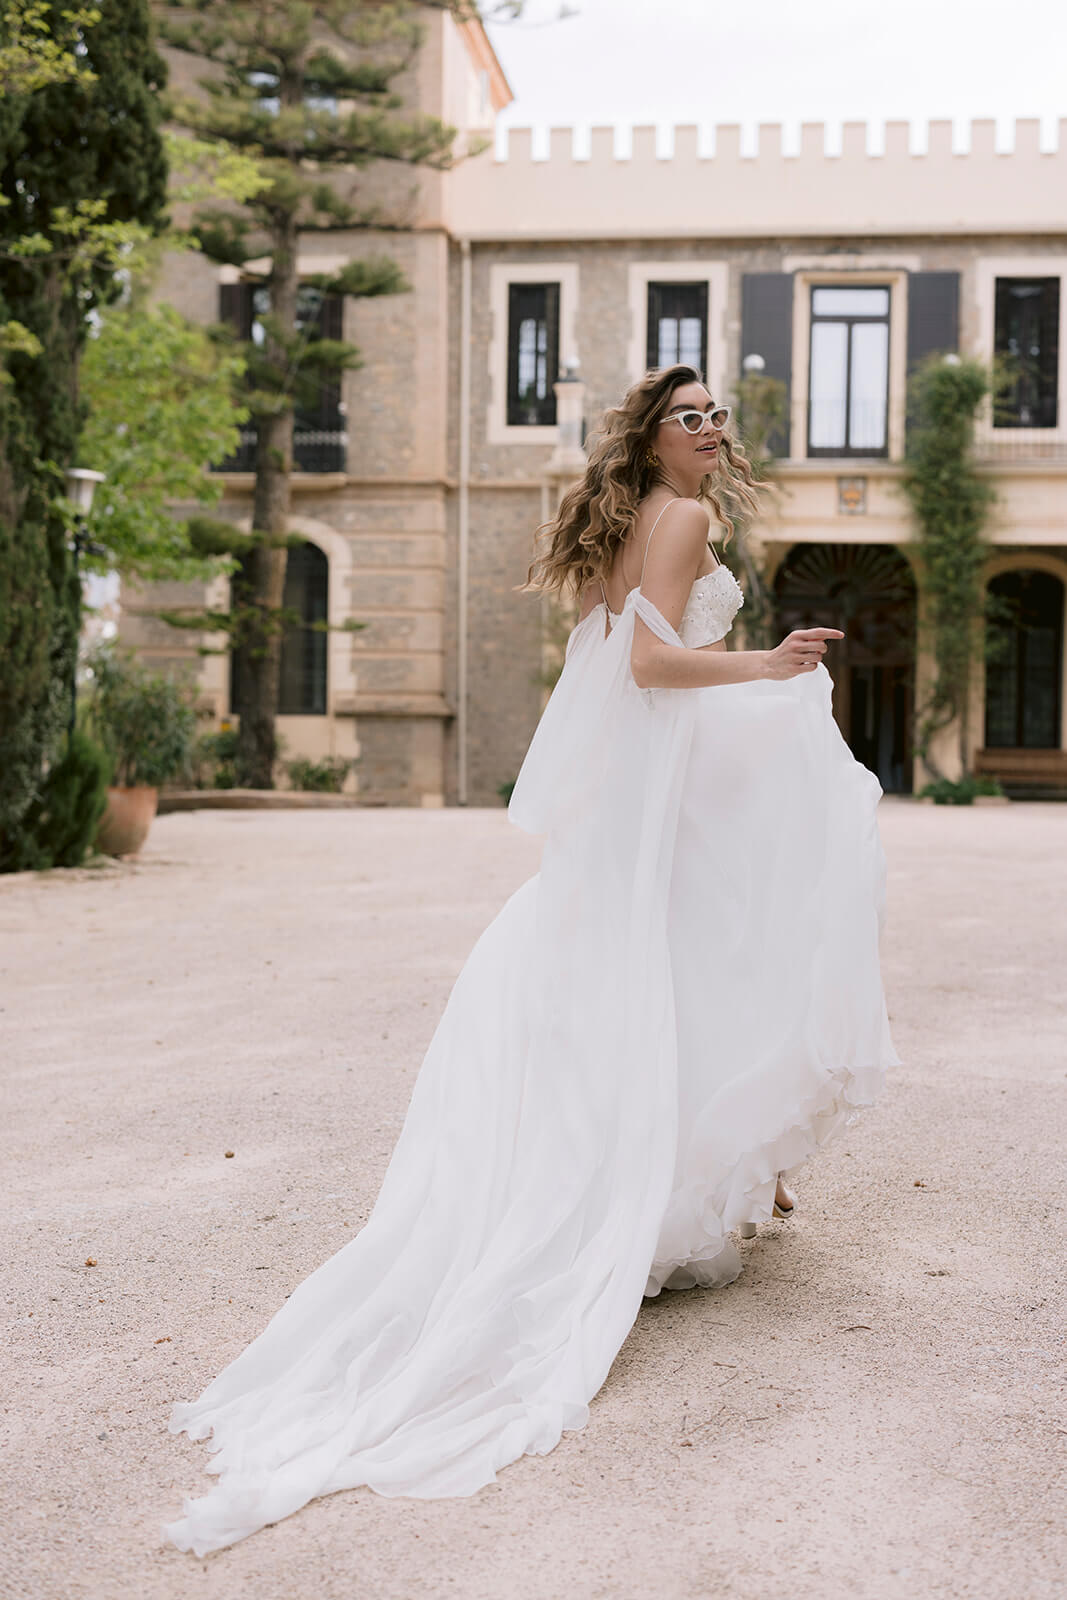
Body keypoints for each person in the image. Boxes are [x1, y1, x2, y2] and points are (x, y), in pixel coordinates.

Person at [164, 364, 899, 1557]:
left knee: (693, 939)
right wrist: (766, 668)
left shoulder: (633, 516)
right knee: (774, 886)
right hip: (661, 761)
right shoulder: (681, 516)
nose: (710, 427)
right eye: (689, 416)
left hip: (652, 772)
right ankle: (711, 1155)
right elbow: (650, 666)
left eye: (715, 413)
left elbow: (613, 655)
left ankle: (726, 1157)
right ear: (652, 439)